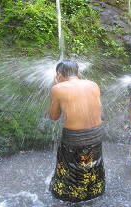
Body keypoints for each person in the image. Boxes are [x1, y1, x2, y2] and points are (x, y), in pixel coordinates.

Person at [47, 60, 105, 202]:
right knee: (92, 165)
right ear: (77, 72)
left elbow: (53, 116)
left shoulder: (58, 88)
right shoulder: (93, 85)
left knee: (70, 170)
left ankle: (68, 198)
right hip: (96, 136)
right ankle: (93, 194)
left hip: (74, 139)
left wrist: (56, 85)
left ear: (59, 74)